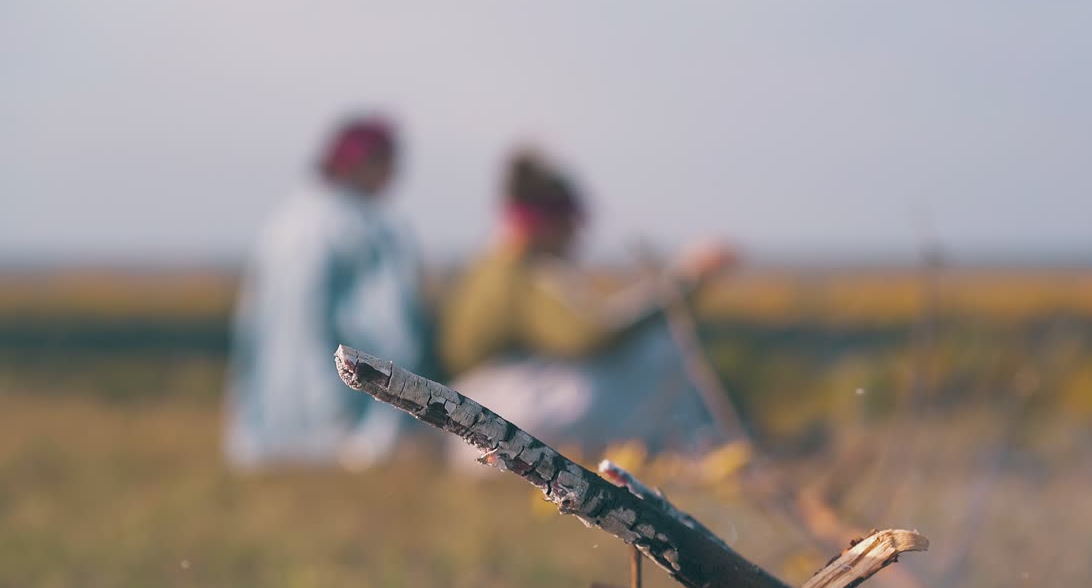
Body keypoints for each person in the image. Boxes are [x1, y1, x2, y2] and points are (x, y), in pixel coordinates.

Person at [438, 149, 735, 465]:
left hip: (472, 411)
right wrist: (682, 282)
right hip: (496, 408)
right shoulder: (525, 270)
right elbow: (590, 336)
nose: (576, 240)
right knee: (659, 354)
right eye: (570, 227)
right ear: (548, 223)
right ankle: (708, 450)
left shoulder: (490, 265)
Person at [224, 117, 426, 470]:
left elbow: (252, 329)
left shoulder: (286, 220)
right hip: (349, 426)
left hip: (269, 427)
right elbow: (390, 329)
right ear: (369, 163)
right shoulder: (367, 227)